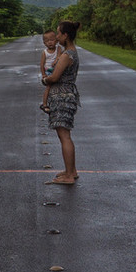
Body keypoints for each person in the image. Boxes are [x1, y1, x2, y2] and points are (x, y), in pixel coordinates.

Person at [41, 19, 81, 184]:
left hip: (61, 97)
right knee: (66, 135)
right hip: (68, 95)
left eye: (58, 33)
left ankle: (69, 176)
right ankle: (71, 170)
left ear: (65, 35)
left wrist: (45, 80)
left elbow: (55, 77)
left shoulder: (66, 55)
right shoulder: (72, 52)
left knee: (64, 136)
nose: (56, 37)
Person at [39, 30, 64, 112]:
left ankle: (60, 102)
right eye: (47, 41)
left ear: (56, 41)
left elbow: (59, 56)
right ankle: (44, 104)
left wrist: (56, 60)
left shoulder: (58, 48)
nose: (50, 42)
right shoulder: (45, 52)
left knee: (60, 85)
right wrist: (43, 75)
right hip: (49, 71)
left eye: (52, 40)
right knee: (48, 87)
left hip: (57, 69)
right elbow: (42, 65)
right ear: (44, 43)